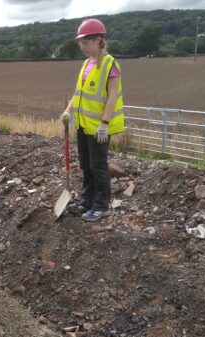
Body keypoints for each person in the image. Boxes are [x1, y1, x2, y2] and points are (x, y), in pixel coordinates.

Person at [60, 18, 125, 222]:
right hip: (83, 125)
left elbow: (112, 96)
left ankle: (101, 205)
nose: (83, 47)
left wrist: (105, 125)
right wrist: (68, 110)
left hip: (99, 128)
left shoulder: (110, 64)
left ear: (98, 40)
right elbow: (78, 92)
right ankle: (86, 201)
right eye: (81, 43)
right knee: (86, 165)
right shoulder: (86, 64)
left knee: (98, 166)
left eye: (86, 42)